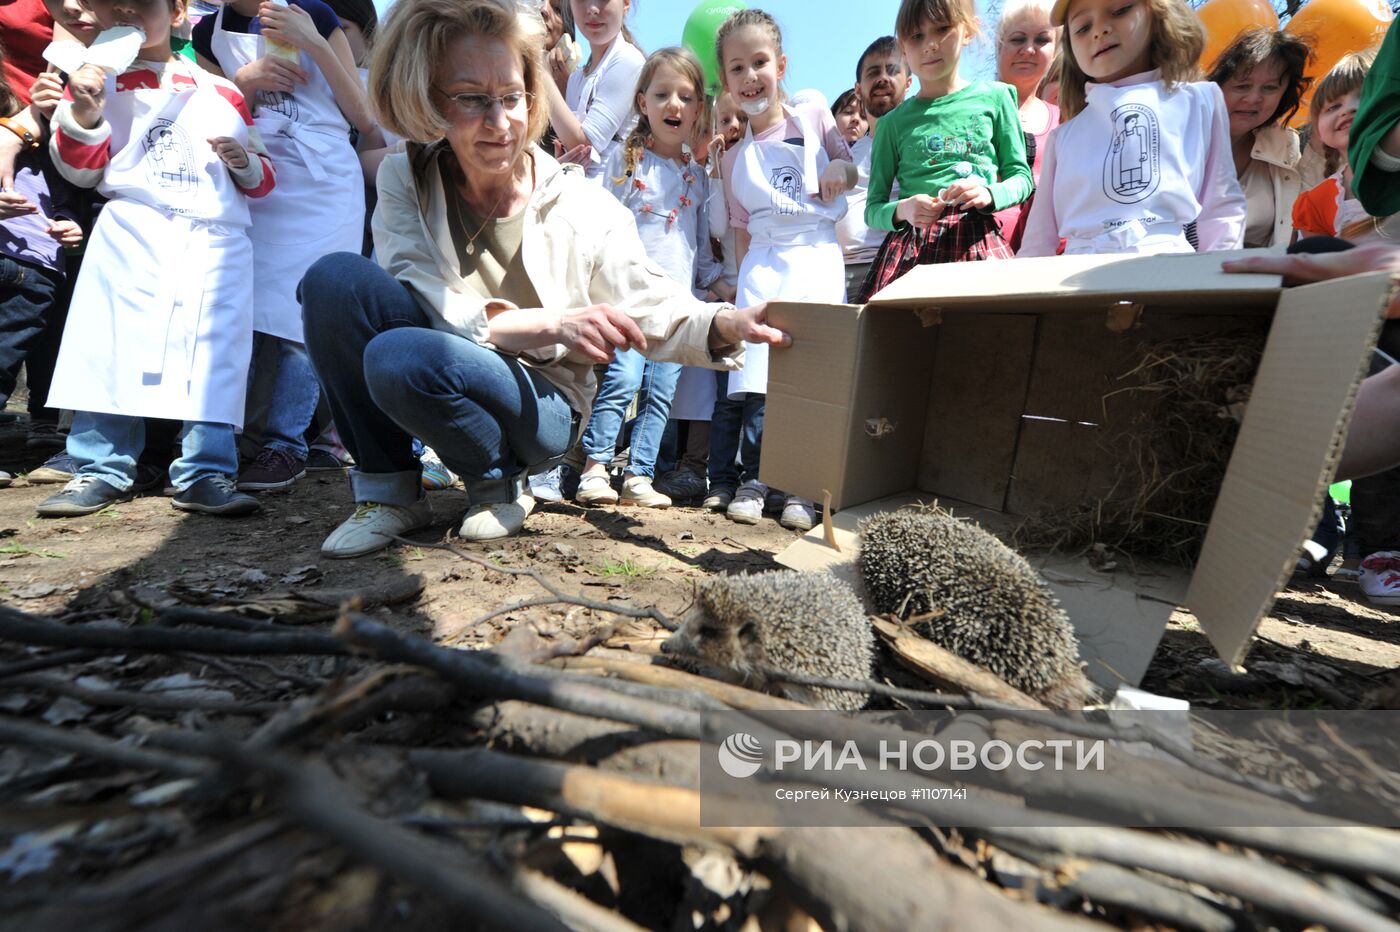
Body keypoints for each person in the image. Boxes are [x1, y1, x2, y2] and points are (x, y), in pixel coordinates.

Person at [299, 0, 785, 556]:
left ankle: (497, 479)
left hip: (541, 401)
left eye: (511, 97)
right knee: (335, 282)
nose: (500, 121)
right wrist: (552, 323)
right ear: (428, 97)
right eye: (472, 100)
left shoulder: (579, 200)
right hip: (438, 354)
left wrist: (725, 322)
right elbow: (417, 293)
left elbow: (648, 298)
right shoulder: (404, 177)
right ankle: (388, 491)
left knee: (401, 356)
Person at [37, 0, 273, 518]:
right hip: (133, 228)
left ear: (178, 10)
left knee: (213, 354)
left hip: (216, 237)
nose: (128, 12)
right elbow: (79, 170)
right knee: (111, 342)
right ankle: (99, 466)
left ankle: (206, 470)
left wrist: (246, 163)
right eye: (112, 4)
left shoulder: (222, 88)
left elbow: (262, 176)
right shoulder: (88, 79)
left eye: (142, 3)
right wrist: (84, 109)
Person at [194, 0, 374, 491]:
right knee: (240, 311)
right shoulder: (208, 32)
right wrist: (244, 84)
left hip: (325, 179)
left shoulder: (314, 10)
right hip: (253, 172)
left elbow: (363, 114)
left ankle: (286, 444)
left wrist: (311, 38)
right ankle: (221, 442)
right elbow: (204, 116)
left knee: (305, 315)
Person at [712, 8, 855, 531]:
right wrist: (741, 277)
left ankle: (801, 484)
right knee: (758, 373)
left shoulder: (815, 114)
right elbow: (742, 228)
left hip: (817, 257)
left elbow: (847, 164)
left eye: (760, 63)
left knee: (810, 371)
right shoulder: (732, 161)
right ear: (726, 81)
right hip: (763, 263)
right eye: (737, 69)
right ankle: (757, 476)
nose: (751, 77)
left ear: (781, 65)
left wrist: (840, 168)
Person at [573, 47, 724, 509]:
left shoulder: (698, 177)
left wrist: (716, 282)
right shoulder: (625, 163)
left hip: (675, 301)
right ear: (642, 103)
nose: (673, 105)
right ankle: (595, 468)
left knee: (662, 390)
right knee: (622, 379)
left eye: (685, 96)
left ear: (699, 109)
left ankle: (639, 475)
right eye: (662, 94)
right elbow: (601, 225)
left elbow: (697, 243)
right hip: (630, 297)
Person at [1019, 0, 1246, 256]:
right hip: (1076, 276)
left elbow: (1221, 207)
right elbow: (1038, 238)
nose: (1100, 30)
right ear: (1071, 48)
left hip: (1166, 270)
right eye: (1083, 27)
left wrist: (1221, 282)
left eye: (1120, 10)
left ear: (1157, 14)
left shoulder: (1199, 100)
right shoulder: (1063, 136)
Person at [859, 0, 1031, 302]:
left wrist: (990, 194)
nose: (929, 45)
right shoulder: (891, 124)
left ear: (967, 31)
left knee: (990, 338)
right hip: (911, 254)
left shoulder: (997, 98)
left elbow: (1021, 178)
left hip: (976, 244)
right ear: (903, 46)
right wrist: (904, 209)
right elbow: (873, 209)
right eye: (916, 36)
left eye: (942, 29)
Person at [0, 41, 83, 488]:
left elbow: (63, 190)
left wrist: (69, 223)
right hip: (31, 262)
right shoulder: (27, 124)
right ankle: (43, 421)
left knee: (16, 349)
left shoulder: (29, 127)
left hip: (34, 259)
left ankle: (44, 420)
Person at [1206, 28, 1311, 248]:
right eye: (1242, 86)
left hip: (1255, 276)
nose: (1254, 98)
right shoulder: (1178, 135)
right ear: (1216, 86)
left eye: (1270, 88)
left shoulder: (1284, 145)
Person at [835, 36, 910, 305]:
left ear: (909, 83)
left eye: (892, 70)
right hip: (837, 274)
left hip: (895, 268)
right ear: (858, 88)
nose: (882, 78)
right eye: (873, 72)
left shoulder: (916, 143)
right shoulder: (846, 153)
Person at [543, 0, 644, 179]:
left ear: (626, 3)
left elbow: (584, 145)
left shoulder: (628, 59)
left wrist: (541, 74)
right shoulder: (576, 79)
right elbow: (572, 154)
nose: (592, 9)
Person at [992, 0, 1060, 251]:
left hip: (1047, 260)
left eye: (1042, 40)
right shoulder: (970, 110)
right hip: (976, 255)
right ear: (1000, 46)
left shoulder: (1065, 121)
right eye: (1018, 39)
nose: (1029, 50)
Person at [1291, 52, 1379, 241]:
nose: (1348, 110)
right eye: (1333, 107)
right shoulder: (1316, 203)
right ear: (1318, 130)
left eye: (1364, 97)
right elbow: (1313, 264)